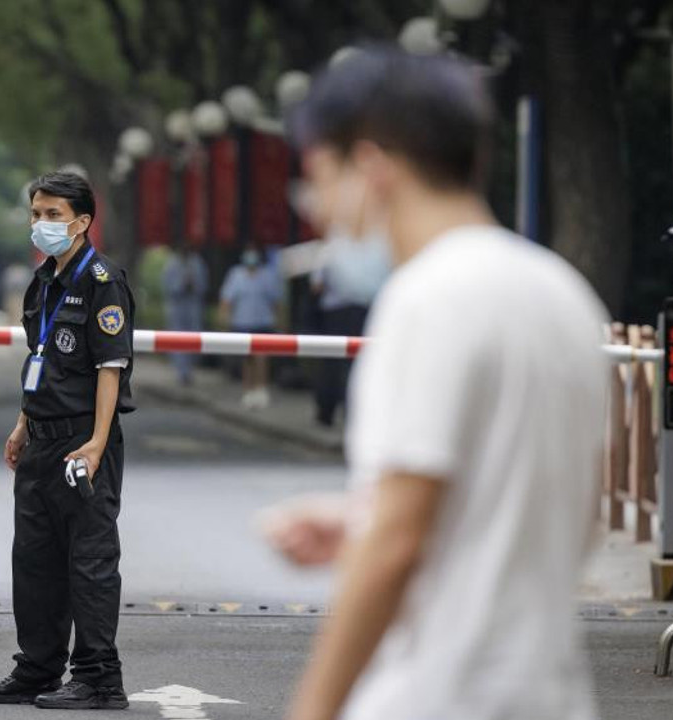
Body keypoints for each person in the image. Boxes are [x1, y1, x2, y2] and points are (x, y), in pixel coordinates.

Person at [261, 47, 607, 720]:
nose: (320, 209)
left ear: (371, 168)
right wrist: (361, 520)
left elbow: (396, 544)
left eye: (321, 180)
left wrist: (314, 708)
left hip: (441, 696)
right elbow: (559, 508)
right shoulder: (565, 296)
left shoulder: (426, 302)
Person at [0, 171, 135, 711]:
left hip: (82, 443)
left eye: (53, 215)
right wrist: (23, 423)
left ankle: (99, 678)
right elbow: (40, 360)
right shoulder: (43, 280)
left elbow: (110, 368)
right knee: (35, 561)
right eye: (36, 214)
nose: (41, 223)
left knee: (89, 562)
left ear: (82, 222)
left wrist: (97, 442)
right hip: (40, 441)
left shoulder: (102, 281)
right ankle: (38, 668)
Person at [310, 233, 388, 427]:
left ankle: (326, 412)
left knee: (331, 361)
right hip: (363, 311)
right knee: (358, 363)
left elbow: (317, 286)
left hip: (336, 312)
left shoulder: (330, 250)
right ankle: (351, 413)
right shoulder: (376, 247)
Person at [219, 247, 281, 409]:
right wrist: (224, 319)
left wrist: (279, 321)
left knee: (262, 357)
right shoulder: (236, 274)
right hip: (242, 322)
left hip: (263, 322)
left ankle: (261, 389)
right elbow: (227, 299)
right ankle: (248, 390)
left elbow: (275, 301)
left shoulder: (267, 275)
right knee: (247, 359)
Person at [160, 246, 208, 385]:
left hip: (193, 305)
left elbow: (204, 285)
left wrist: (193, 284)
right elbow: (166, 286)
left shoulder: (197, 263)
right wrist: (181, 284)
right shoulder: (171, 264)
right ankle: (182, 372)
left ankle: (190, 370)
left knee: (194, 338)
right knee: (177, 339)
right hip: (177, 306)